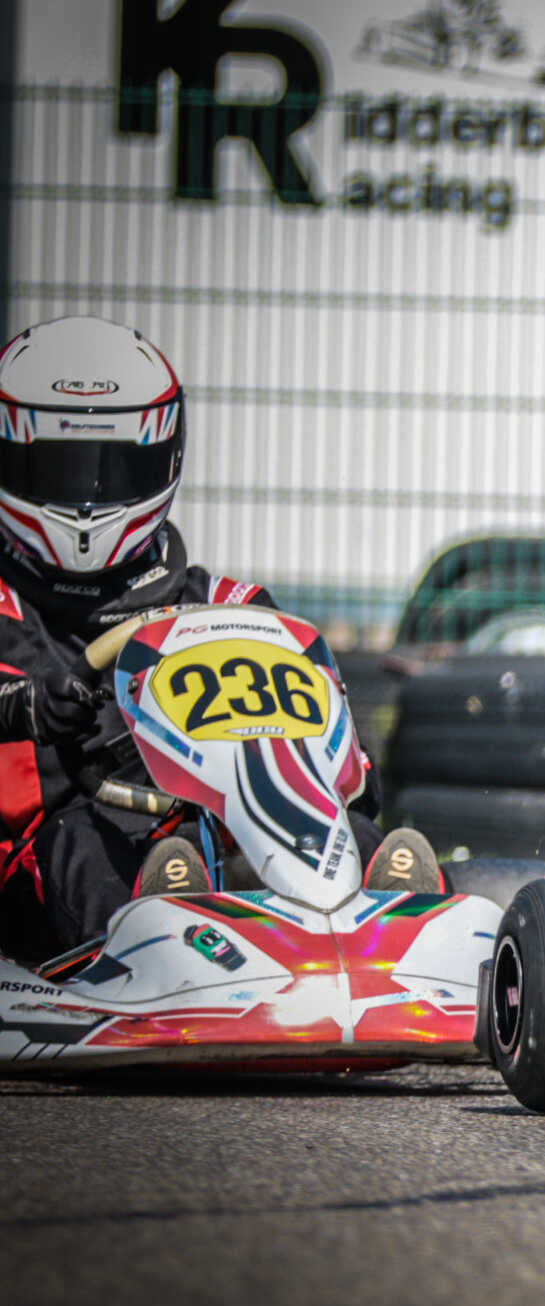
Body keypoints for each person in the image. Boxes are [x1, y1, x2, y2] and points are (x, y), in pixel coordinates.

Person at [0, 315, 432, 955]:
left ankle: (403, 932)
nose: (88, 500)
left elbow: (350, 779)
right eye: (61, 470)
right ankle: (163, 946)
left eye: (116, 470)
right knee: (80, 840)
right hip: (34, 881)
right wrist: (23, 708)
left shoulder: (231, 608)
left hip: (206, 851)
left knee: (347, 836)